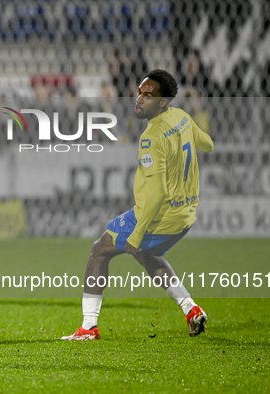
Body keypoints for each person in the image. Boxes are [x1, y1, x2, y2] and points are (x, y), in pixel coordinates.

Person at [61, 69, 214, 341]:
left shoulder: (151, 137)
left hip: (158, 216)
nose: (140, 99)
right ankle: (190, 309)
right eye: (140, 92)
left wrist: (138, 231)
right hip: (186, 215)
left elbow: (156, 192)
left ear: (163, 101)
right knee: (146, 255)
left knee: (99, 250)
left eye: (148, 95)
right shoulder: (182, 117)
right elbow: (208, 144)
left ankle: (88, 327)